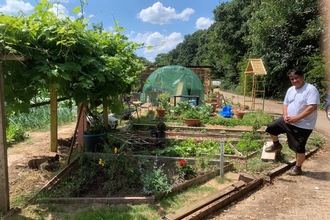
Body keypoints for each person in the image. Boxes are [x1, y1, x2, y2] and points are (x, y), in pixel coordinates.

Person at [265, 69, 320, 175]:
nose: (294, 80)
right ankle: (276, 144)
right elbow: (285, 104)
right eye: (292, 79)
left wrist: (296, 118)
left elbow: (312, 107)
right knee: (272, 127)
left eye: (296, 78)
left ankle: (298, 168)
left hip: (304, 124)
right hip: (288, 120)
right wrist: (285, 116)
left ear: (302, 77)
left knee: (299, 146)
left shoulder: (311, 89)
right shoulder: (291, 90)